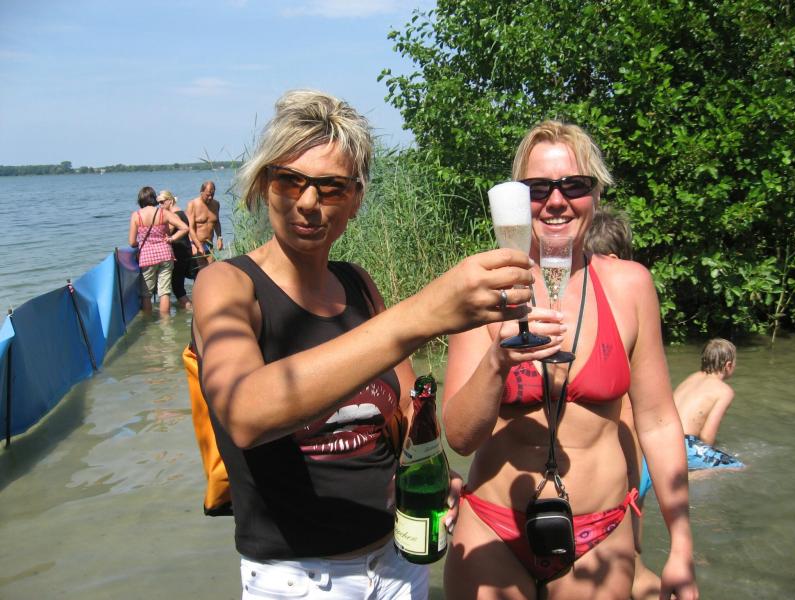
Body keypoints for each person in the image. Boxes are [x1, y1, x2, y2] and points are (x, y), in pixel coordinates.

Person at [191, 89, 542, 599]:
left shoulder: (357, 283)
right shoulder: (227, 284)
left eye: (331, 188)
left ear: (355, 200)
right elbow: (244, 414)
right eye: (290, 180)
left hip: (398, 562)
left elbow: (406, 408)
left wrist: (432, 467)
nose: (308, 202)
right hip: (298, 578)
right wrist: (423, 314)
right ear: (265, 185)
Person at [442, 121, 698, 599]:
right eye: (538, 189)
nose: (556, 201)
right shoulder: (481, 286)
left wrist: (681, 545)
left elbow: (659, 421)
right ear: (517, 200)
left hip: (599, 534)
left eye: (573, 185)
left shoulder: (631, 286)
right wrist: (497, 362)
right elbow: (459, 437)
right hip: (495, 528)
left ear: (595, 194)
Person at [586, 207, 661, 600]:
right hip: (629, 463)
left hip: (627, 464)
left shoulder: (622, 304)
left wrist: (630, 486)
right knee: (633, 562)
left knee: (632, 567)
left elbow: (635, 415)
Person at [675, 338, 743, 468]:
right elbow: (706, 436)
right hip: (683, 444)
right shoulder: (725, 391)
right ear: (728, 365)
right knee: (737, 467)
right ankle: (690, 476)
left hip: (663, 437)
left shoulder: (691, 378)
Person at [128, 186, 189, 315]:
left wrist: (142, 242)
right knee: (164, 292)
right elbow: (184, 228)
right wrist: (172, 238)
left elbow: (132, 242)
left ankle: (148, 321)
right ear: (154, 198)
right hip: (165, 255)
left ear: (140, 200)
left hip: (147, 257)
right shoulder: (163, 213)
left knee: (146, 294)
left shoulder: (136, 216)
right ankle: (165, 322)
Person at [157, 190, 193, 310]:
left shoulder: (174, 216)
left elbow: (166, 233)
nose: (160, 205)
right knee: (180, 284)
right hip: (186, 251)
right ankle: (187, 309)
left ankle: (190, 309)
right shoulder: (182, 212)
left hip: (179, 253)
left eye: (162, 202)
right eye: (159, 203)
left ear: (170, 201)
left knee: (177, 287)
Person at [186, 180, 223, 267]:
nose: (210, 197)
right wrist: (198, 246)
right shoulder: (192, 204)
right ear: (201, 192)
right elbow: (190, 228)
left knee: (212, 269)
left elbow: (216, 222)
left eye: (212, 195)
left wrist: (219, 238)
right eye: (207, 195)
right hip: (195, 244)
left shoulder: (216, 204)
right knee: (200, 271)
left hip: (209, 244)